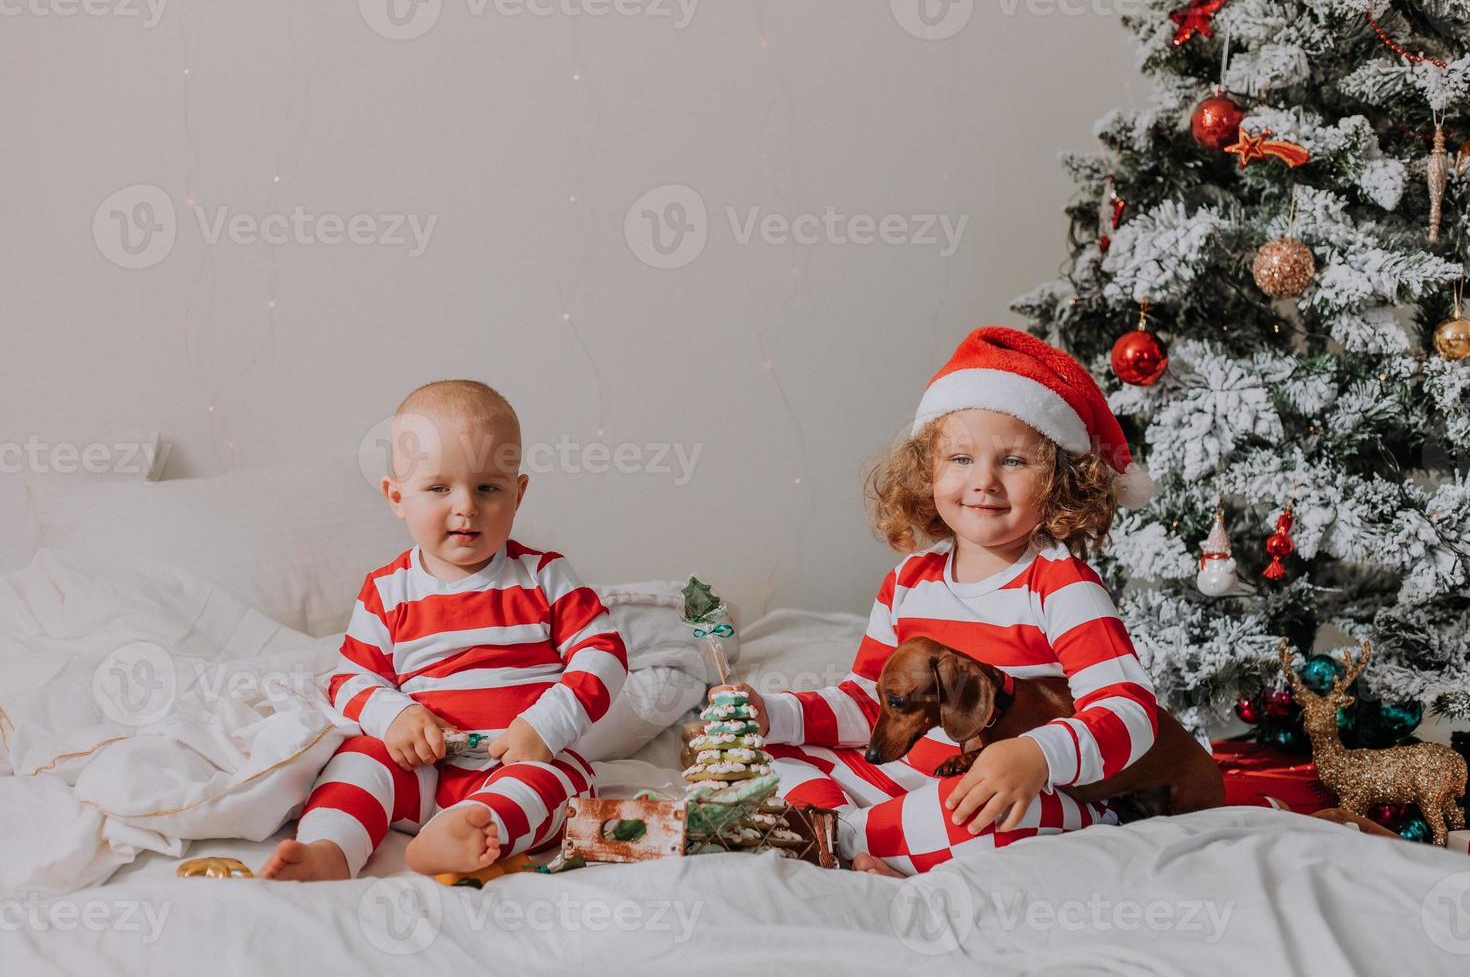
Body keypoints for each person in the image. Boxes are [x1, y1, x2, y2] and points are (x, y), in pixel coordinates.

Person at [714, 326, 1159, 876]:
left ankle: (832, 838)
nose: (985, 482)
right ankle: (856, 840)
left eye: (1014, 462)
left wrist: (1039, 755)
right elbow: (869, 704)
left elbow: (1130, 711)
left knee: (972, 816)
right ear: (928, 471)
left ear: (1061, 481)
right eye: (961, 459)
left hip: (1006, 787)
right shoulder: (908, 580)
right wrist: (773, 714)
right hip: (903, 776)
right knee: (771, 761)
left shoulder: (1061, 585)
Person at [262, 380, 627, 880]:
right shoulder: (388, 589)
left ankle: (468, 830)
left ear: (517, 494)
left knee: (560, 785)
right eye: (438, 488)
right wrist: (395, 717)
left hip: (520, 761)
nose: (466, 506)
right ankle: (330, 848)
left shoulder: (544, 576)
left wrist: (546, 726)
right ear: (396, 497)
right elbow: (350, 679)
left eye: (488, 488)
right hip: (423, 773)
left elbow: (602, 653)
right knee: (360, 758)